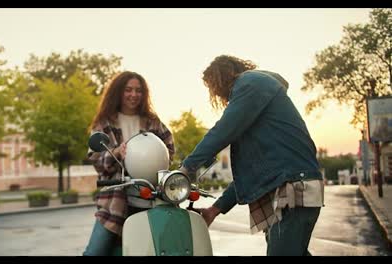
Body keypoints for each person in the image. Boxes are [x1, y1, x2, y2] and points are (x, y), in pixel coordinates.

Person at [179, 55, 324, 256]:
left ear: (221, 77)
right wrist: (215, 209)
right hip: (285, 186)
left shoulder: (250, 83)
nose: (214, 92)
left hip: (291, 186)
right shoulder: (256, 110)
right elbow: (248, 174)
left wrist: (186, 168)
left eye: (212, 85)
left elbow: (222, 131)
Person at [83, 71, 175, 256]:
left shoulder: (153, 123)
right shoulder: (105, 123)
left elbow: (168, 150)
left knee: (170, 245)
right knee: (95, 252)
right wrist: (116, 152)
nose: (134, 95)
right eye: (128, 90)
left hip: (152, 198)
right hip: (115, 202)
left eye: (138, 90)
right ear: (118, 92)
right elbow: (96, 159)